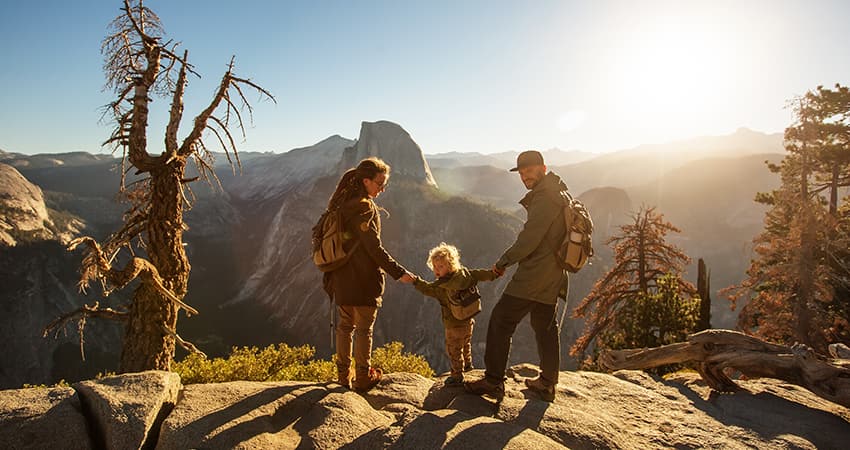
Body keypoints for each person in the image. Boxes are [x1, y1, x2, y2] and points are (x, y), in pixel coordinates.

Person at [464, 150, 568, 402]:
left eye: (529, 171)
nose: (524, 177)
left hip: (536, 273)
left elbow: (529, 239)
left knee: (501, 319)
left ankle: (493, 381)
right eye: (521, 173)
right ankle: (547, 382)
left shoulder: (546, 198)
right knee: (544, 325)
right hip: (554, 272)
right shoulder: (558, 191)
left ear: (543, 168)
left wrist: (503, 262)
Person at [322, 157, 415, 392]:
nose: (382, 189)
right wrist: (398, 272)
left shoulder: (341, 204)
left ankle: (343, 376)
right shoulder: (364, 207)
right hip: (363, 279)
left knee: (345, 327)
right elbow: (374, 248)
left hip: (341, 278)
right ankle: (362, 376)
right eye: (379, 183)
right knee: (364, 329)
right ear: (366, 181)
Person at [412, 243, 500, 385]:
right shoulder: (465, 274)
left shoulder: (442, 287)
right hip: (468, 320)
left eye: (440, 266)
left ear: (450, 264)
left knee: (454, 350)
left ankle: (457, 375)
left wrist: (416, 281)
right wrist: (493, 274)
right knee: (466, 344)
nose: (436, 270)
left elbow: (427, 289)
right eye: (434, 266)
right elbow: (480, 274)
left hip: (453, 325)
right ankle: (468, 365)